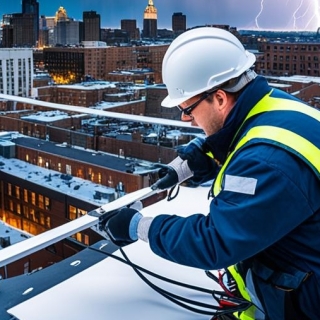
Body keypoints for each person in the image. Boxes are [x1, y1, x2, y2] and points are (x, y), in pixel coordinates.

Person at [105, 27, 320, 319]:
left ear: (219, 98)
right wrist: (192, 162)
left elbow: (215, 242)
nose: (186, 118)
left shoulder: (266, 163)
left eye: (188, 108)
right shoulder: (277, 104)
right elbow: (240, 133)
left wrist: (136, 226)